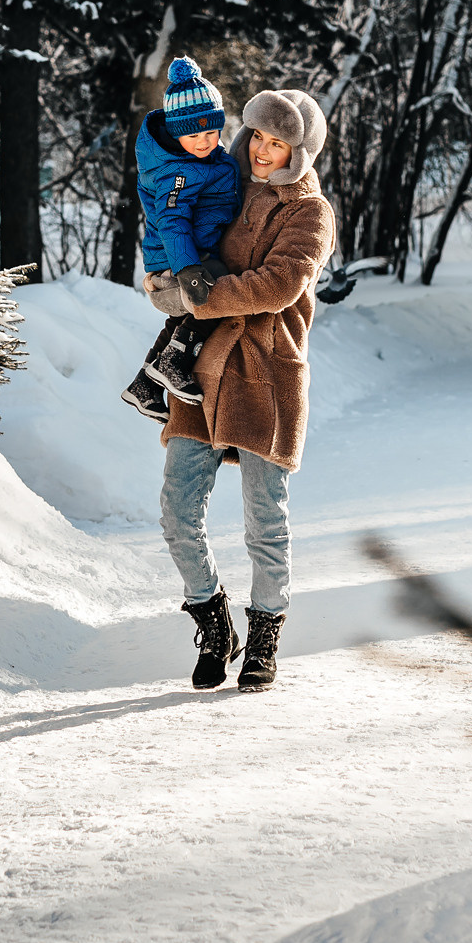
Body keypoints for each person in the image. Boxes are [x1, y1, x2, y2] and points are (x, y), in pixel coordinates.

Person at [145, 87, 332, 692]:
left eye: (278, 145)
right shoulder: (220, 179)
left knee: (264, 522)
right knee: (178, 512)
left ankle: (265, 635)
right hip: (200, 373)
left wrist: (198, 296)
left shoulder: (310, 212)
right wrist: (165, 279)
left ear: (297, 154)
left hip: (266, 374)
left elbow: (278, 284)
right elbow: (180, 234)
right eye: (257, 137)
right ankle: (212, 617)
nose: (262, 152)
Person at [122, 57, 243, 420]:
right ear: (176, 134)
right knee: (218, 292)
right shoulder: (178, 171)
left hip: (191, 254)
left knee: (182, 317)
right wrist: (187, 267)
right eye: (194, 135)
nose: (205, 142)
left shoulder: (204, 160)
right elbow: (171, 220)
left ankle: (145, 384)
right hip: (179, 259)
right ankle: (174, 359)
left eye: (211, 133)